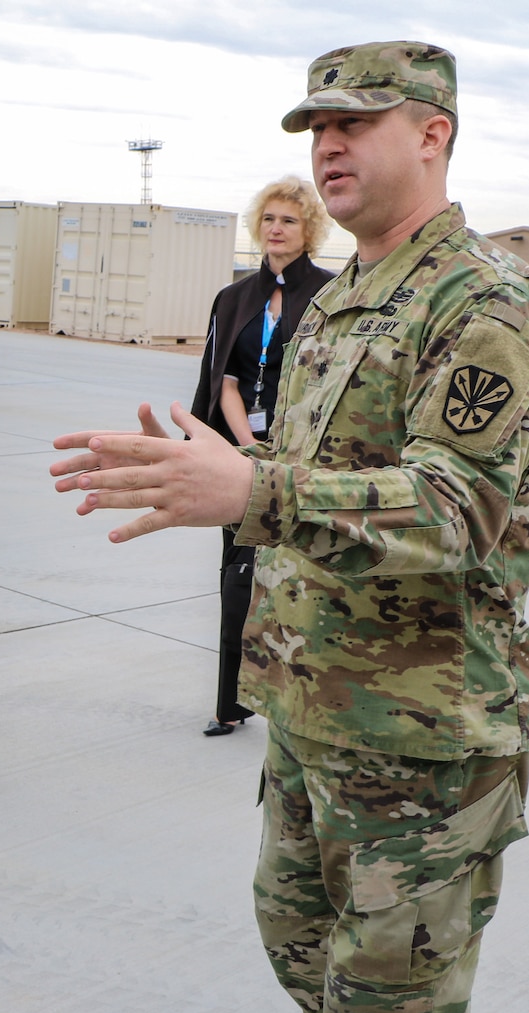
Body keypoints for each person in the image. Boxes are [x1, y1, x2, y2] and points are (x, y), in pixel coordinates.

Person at [50, 42, 529, 1013]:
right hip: (312, 714)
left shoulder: (487, 303)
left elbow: (453, 508)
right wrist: (231, 471)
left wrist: (256, 491)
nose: (327, 147)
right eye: (316, 130)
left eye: (354, 124)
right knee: (309, 971)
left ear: (434, 136)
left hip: (420, 748)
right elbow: (313, 480)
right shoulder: (343, 300)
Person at [189, 178, 333, 736]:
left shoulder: (330, 292)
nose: (276, 228)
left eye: (289, 220)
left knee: (304, 576)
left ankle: (305, 703)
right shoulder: (234, 298)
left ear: (309, 230)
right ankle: (231, 704)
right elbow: (223, 378)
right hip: (240, 455)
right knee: (237, 576)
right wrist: (244, 447)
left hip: (303, 458)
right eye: (269, 219)